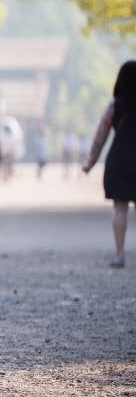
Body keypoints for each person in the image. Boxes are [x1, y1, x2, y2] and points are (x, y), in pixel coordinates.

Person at [82, 60, 136, 268]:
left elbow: (100, 136)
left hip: (120, 159)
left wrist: (90, 162)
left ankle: (120, 254)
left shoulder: (115, 106)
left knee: (119, 207)